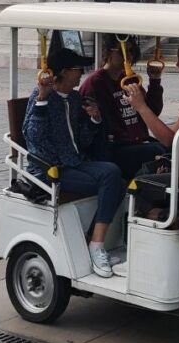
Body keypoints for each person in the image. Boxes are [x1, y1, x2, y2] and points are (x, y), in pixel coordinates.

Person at [23, 48, 126, 278]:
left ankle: (93, 242)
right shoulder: (41, 97)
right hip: (50, 169)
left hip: (74, 163)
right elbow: (33, 137)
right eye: (78, 70)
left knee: (118, 182)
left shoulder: (74, 97)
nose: (82, 75)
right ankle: (96, 245)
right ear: (64, 72)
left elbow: (82, 139)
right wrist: (41, 99)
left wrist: (94, 118)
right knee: (111, 175)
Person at [79, 34, 165, 180]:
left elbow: (152, 111)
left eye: (131, 51)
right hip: (113, 148)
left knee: (168, 149)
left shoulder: (129, 79)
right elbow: (104, 125)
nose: (128, 57)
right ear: (107, 53)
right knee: (156, 151)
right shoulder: (95, 84)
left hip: (136, 143)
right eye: (122, 52)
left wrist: (155, 81)